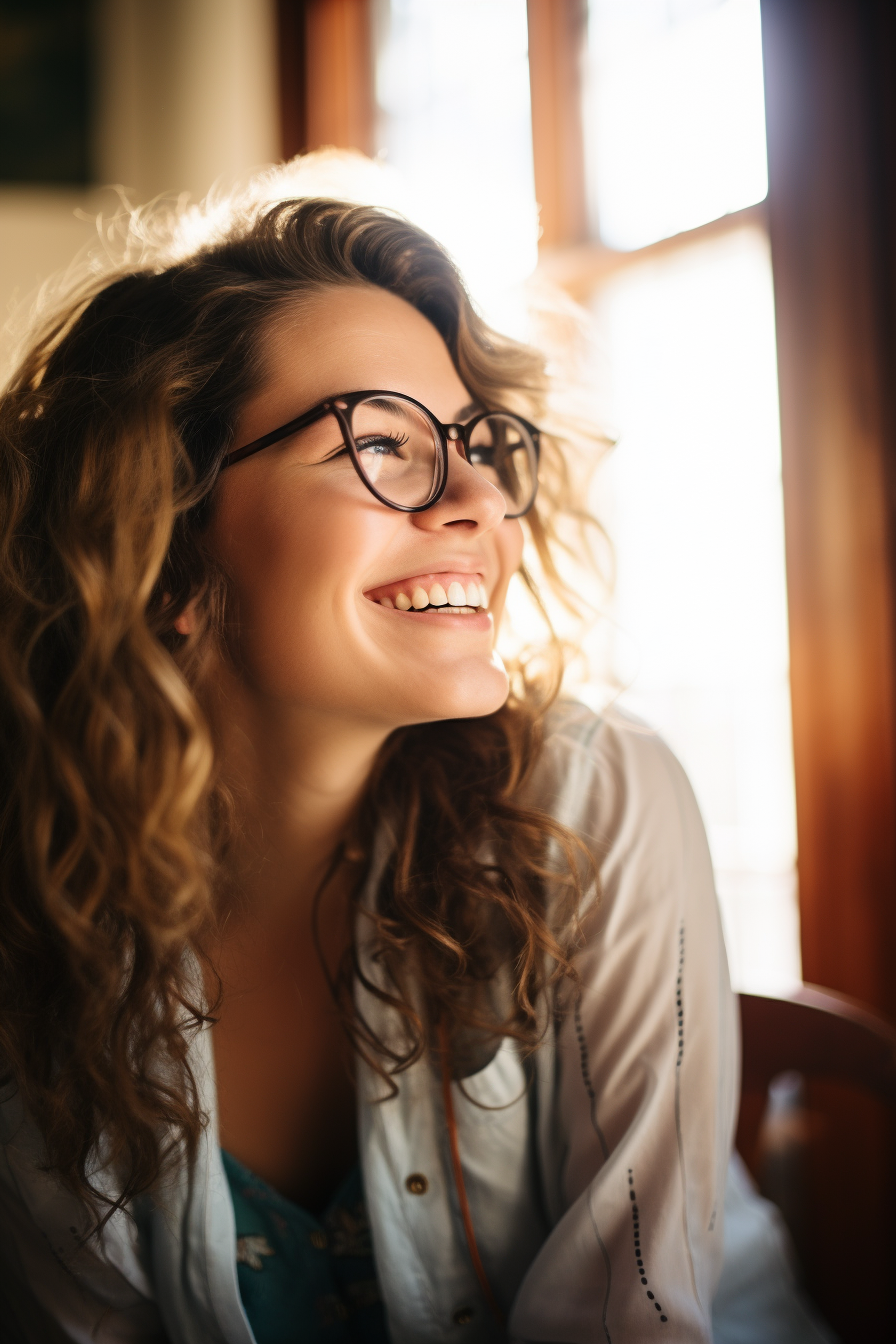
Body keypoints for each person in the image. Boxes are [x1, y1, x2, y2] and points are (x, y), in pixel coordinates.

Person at [0, 169, 834, 1344]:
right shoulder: (35, 900)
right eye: (383, 443)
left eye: (474, 442)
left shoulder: (597, 794)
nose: (481, 498)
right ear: (169, 550)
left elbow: (631, 1322)